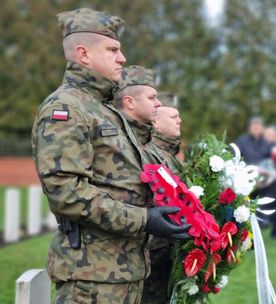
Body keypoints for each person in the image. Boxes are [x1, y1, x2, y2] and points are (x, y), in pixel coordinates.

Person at [31, 8, 189, 303]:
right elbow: (67, 194)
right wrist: (145, 219)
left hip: (125, 271)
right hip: (92, 278)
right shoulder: (66, 109)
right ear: (84, 54)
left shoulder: (104, 111)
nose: (122, 58)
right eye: (113, 49)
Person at [115, 67, 186, 304]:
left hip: (154, 247)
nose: (180, 121)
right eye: (152, 98)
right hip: (139, 252)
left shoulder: (156, 151)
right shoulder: (131, 146)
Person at [262, 125, 276, 238]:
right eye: (267, 134)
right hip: (264, 181)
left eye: (270, 134)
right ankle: (264, 223)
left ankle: (275, 228)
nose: (268, 136)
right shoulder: (262, 146)